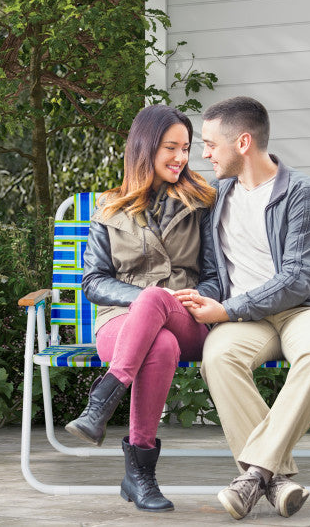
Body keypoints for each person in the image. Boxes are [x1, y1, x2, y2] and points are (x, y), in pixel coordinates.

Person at [175, 96, 310, 520]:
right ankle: (276, 480)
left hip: (308, 308)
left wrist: (225, 310)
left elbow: (298, 279)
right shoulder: (216, 198)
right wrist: (208, 299)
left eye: (210, 144)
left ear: (242, 142)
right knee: (219, 356)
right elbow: (209, 267)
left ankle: (256, 473)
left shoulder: (303, 194)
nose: (203, 154)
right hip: (246, 317)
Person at [65, 104, 217, 513]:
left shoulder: (201, 201)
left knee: (161, 313)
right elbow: (93, 281)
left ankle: (104, 399)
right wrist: (147, 300)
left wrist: (191, 298)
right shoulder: (109, 209)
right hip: (122, 324)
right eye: (172, 147)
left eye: (186, 148)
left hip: (190, 317)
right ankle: (140, 477)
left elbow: (217, 275)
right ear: (145, 147)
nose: (182, 158)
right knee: (159, 340)